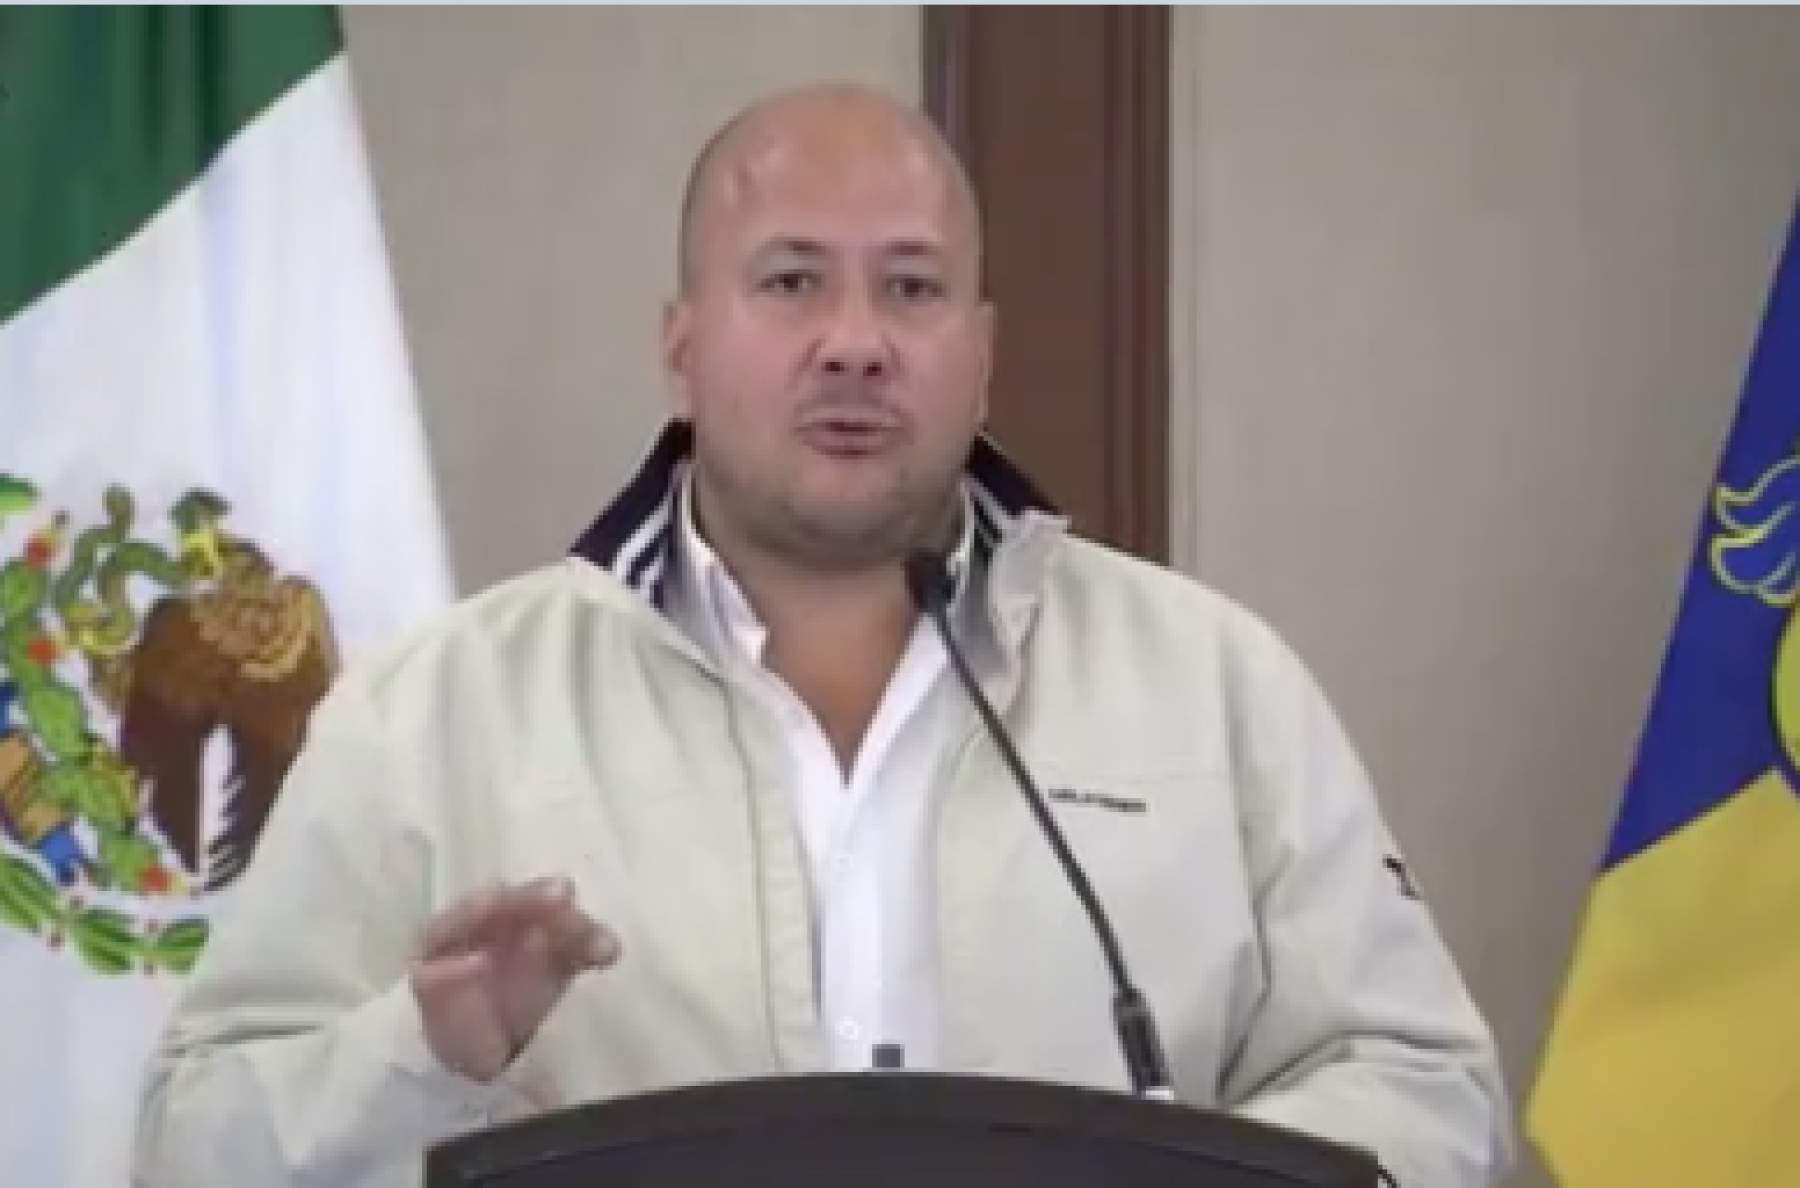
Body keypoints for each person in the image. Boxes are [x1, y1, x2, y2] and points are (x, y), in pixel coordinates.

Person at [133, 82, 1514, 1188]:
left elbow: (1428, 1092)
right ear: (682, 348)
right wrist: (424, 1053)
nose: (856, 342)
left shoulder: (1213, 685)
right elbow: (192, 1146)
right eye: (792, 282)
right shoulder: (442, 710)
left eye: (911, 288)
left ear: (981, 352)